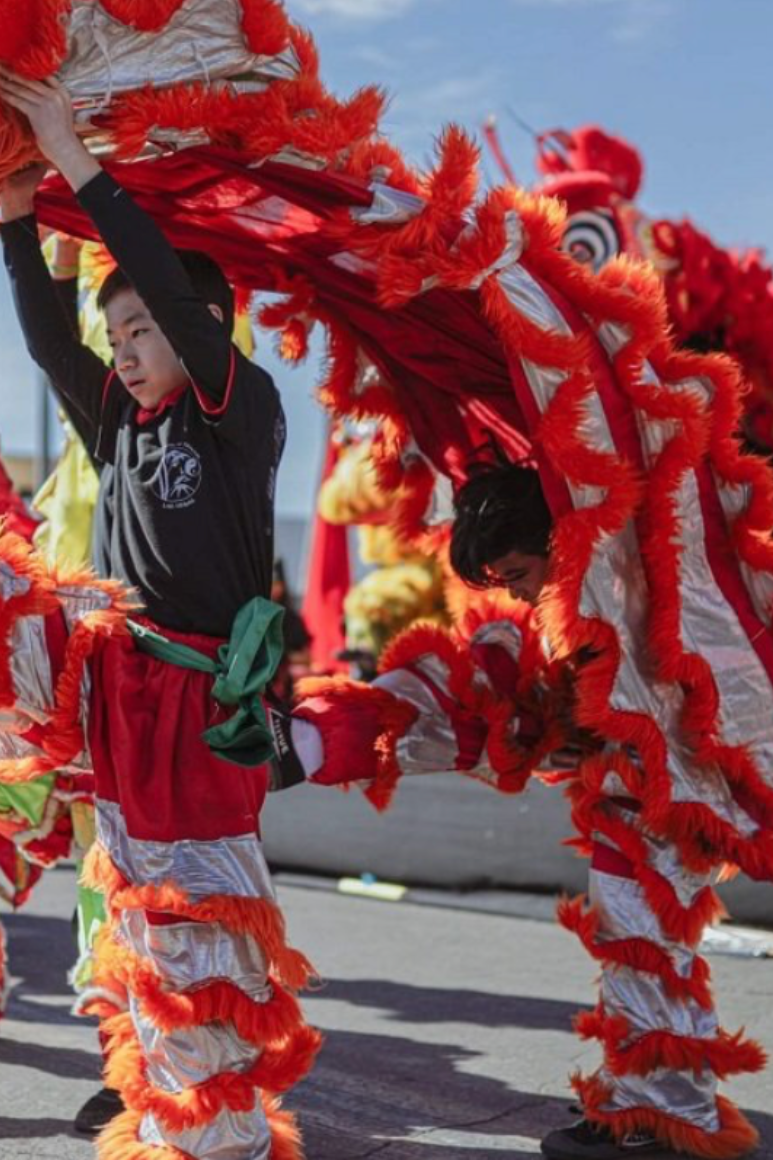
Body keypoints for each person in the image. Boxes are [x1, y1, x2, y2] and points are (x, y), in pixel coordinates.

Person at [0, 69, 318, 1158]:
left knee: (205, 914)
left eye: (137, 332)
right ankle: (161, 1097)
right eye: (118, 337)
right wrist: (13, 206)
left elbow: (172, 298)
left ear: (207, 328)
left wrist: (74, 158)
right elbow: (49, 343)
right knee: (132, 899)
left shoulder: (240, 409)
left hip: (205, 701)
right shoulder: (121, 425)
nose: (122, 354)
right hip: (120, 694)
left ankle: (222, 1129)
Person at [274, 460, 767, 1160]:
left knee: (648, 942)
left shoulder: (643, 578)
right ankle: (641, 1103)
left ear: (561, 542)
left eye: (520, 572)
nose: (523, 592)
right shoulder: (564, 609)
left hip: (677, 790)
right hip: (631, 794)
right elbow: (480, 682)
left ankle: (665, 1116)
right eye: (505, 582)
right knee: (633, 943)